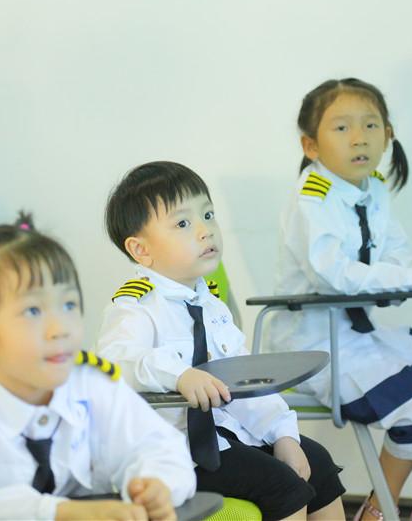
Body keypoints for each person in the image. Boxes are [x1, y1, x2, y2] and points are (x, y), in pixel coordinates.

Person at [97, 162, 345, 521]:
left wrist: (283, 434)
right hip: (172, 453)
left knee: (317, 463)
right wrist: (180, 375)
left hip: (224, 436)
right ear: (141, 250)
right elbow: (117, 362)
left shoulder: (211, 306)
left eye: (208, 215)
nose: (205, 231)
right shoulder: (135, 307)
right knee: (282, 486)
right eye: (183, 223)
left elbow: (246, 380)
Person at [271, 78, 412, 520]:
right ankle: (380, 509)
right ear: (310, 145)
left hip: (355, 337)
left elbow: (396, 253)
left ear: (388, 135)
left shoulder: (373, 188)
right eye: (341, 127)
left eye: (370, 125)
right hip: (315, 347)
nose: (359, 138)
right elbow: (337, 276)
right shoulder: (312, 199)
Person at [0, 214, 195, 521]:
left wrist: (156, 484)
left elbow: (158, 445)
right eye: (33, 310)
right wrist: (58, 513)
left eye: (68, 305)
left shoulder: (91, 382)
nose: (60, 328)